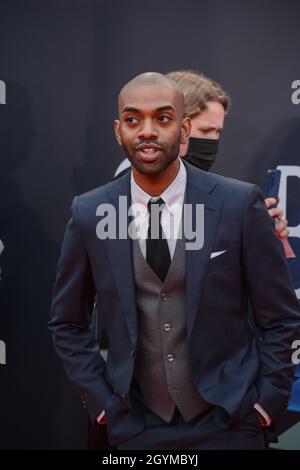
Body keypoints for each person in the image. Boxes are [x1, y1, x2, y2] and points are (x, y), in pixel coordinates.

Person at [49, 72, 300, 450]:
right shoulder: (91, 211)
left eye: (162, 119)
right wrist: (102, 405)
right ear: (119, 131)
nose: (147, 131)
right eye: (133, 120)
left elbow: (280, 317)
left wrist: (266, 404)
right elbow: (67, 322)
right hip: (133, 426)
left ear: (183, 131)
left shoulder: (237, 204)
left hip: (229, 422)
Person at [115, 70, 289, 240]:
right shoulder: (120, 196)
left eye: (217, 132)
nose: (212, 141)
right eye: (205, 131)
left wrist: (259, 237)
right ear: (179, 127)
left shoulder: (226, 196)